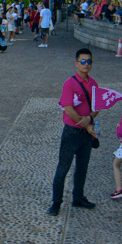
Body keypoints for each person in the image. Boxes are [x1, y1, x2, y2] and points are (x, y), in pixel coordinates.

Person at [49, 48, 99, 216]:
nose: (86, 64)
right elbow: (68, 109)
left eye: (89, 61)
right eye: (83, 61)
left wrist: (90, 117)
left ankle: (78, 197)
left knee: (82, 168)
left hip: (86, 134)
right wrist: (86, 123)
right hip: (72, 132)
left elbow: (96, 107)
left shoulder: (93, 84)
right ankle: (56, 202)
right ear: (76, 63)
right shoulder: (69, 83)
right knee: (63, 168)